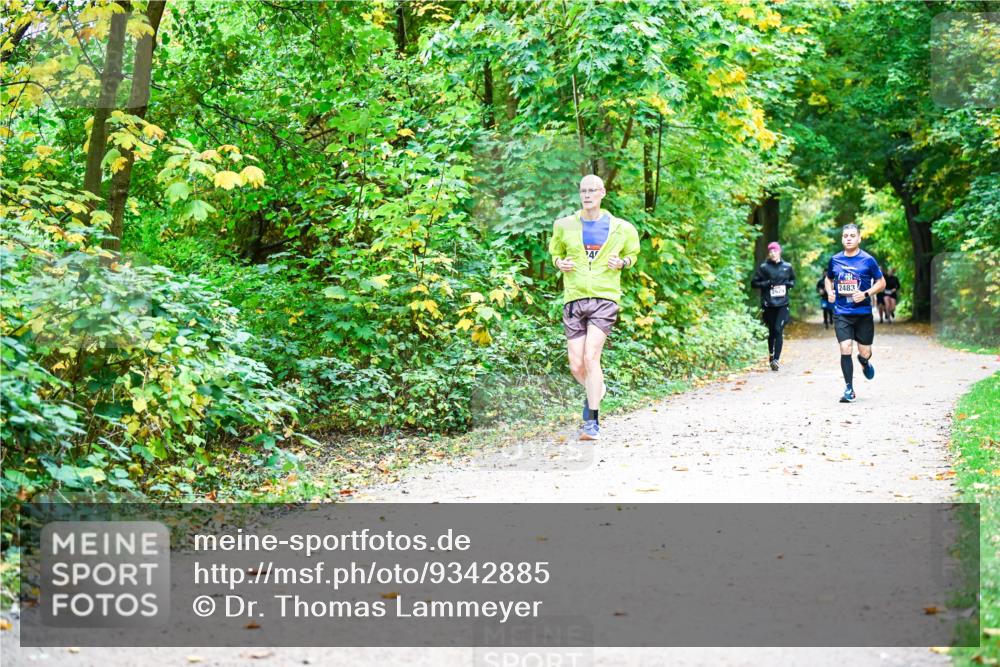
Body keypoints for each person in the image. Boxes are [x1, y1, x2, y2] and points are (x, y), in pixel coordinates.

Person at [549, 174, 640, 441]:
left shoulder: (622, 228)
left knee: (591, 358)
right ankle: (596, 388)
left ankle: (592, 422)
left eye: (592, 190)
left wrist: (622, 263)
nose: (587, 195)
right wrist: (559, 264)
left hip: (604, 298)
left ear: (602, 193)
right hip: (574, 297)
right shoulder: (564, 225)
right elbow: (555, 253)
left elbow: (633, 254)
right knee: (577, 366)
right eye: (583, 191)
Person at [824, 224, 885, 403]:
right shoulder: (834, 260)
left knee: (864, 351)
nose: (848, 238)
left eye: (852, 235)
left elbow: (881, 283)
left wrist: (866, 294)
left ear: (859, 238)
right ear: (842, 239)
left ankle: (864, 361)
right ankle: (849, 388)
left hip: (863, 312)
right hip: (842, 312)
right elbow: (828, 279)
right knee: (845, 347)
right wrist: (830, 292)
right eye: (845, 236)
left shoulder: (868, 260)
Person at [751, 242, 796, 371]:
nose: (772, 253)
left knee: (778, 330)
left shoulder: (787, 267)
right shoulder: (764, 267)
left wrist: (788, 284)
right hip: (769, 304)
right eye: (770, 251)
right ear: (768, 253)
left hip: (783, 304)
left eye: (775, 251)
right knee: (772, 332)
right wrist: (767, 283)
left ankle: (776, 359)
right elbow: (754, 283)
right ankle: (771, 354)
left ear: (779, 252)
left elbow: (793, 280)